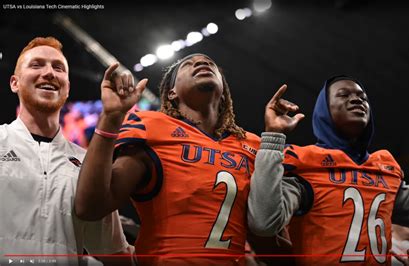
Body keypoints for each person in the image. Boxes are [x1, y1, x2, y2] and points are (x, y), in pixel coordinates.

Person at [74, 53, 261, 265]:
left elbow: (265, 233)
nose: (202, 63)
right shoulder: (151, 126)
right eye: (188, 64)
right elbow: (89, 207)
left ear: (224, 93)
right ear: (171, 93)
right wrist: (110, 118)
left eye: (210, 63)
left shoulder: (252, 145)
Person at [248, 76, 409, 265]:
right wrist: (274, 135)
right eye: (343, 94)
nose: (356, 99)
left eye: (362, 97)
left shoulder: (384, 169)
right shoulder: (307, 165)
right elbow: (264, 224)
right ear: (324, 110)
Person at [0, 37, 131, 265]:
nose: (49, 72)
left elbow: (115, 254)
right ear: (14, 83)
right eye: (37, 65)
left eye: (58, 68)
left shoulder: (88, 164)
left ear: (67, 88)